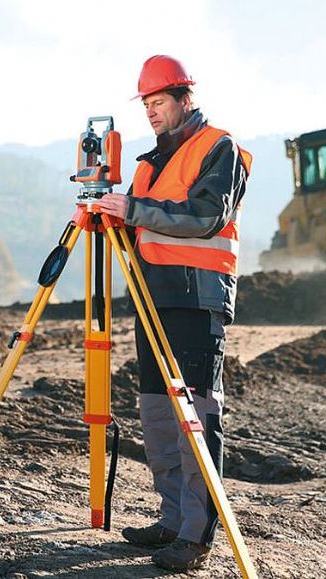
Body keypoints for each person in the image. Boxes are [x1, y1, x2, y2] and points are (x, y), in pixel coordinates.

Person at [95, 54, 251, 572]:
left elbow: (207, 216)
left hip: (197, 297)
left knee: (196, 417)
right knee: (158, 413)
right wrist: (110, 217)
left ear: (186, 99)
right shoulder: (145, 163)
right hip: (152, 298)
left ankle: (196, 535)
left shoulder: (218, 148)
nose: (152, 113)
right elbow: (142, 226)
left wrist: (133, 209)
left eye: (159, 102)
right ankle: (170, 520)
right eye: (147, 105)